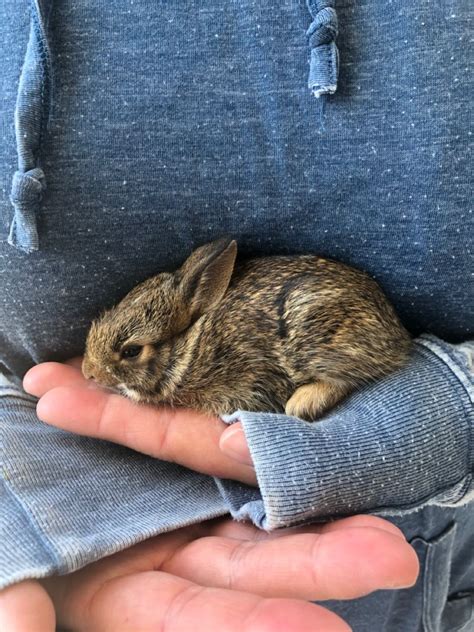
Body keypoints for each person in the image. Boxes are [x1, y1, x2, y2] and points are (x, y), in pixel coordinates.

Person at [1, 1, 472, 630]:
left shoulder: (210, 356)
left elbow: (256, 394)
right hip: (106, 513)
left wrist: (447, 409)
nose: (108, 369)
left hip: (428, 549)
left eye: (134, 353)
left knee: (311, 332)